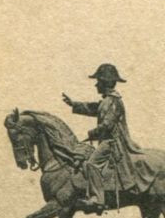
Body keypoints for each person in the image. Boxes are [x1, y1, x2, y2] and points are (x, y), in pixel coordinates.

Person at [64, 63, 155, 209]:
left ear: (105, 83)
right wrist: (73, 104)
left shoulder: (113, 101)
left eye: (98, 82)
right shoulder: (107, 100)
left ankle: (97, 199)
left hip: (112, 142)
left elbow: (107, 125)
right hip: (108, 140)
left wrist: (91, 133)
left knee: (91, 164)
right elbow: (94, 108)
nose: (96, 85)